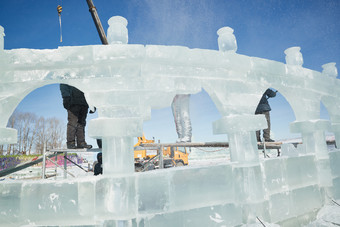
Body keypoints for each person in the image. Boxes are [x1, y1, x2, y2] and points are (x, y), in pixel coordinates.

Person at [60, 84, 92, 149]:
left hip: (84, 102)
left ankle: (81, 142)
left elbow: (89, 88)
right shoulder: (71, 74)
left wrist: (92, 104)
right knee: (72, 123)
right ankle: (70, 143)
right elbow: (63, 84)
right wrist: (66, 97)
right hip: (73, 101)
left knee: (82, 123)